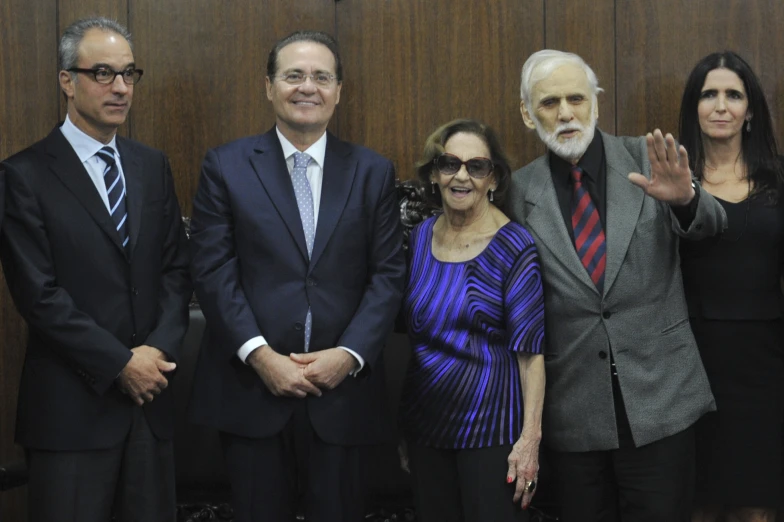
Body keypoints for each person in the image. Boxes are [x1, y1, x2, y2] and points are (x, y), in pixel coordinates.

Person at [188, 30, 406, 521]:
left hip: (344, 395)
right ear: (269, 87)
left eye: (321, 77)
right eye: (294, 75)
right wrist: (261, 357)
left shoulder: (372, 171)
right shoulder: (226, 165)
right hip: (251, 391)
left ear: (338, 91)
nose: (308, 87)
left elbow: (389, 274)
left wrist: (348, 356)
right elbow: (212, 269)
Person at [508, 49, 727, 522]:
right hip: (573, 413)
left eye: (575, 99)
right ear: (528, 114)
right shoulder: (518, 192)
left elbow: (713, 224)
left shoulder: (647, 158)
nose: (565, 113)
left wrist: (687, 200)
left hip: (661, 401)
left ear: (595, 104)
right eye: (549, 103)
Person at [0, 17, 191, 522]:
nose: (121, 88)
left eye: (130, 74)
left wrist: (155, 352)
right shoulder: (23, 175)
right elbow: (38, 295)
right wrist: (119, 364)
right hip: (70, 414)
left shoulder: (152, 166)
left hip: (151, 405)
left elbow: (176, 270)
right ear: (67, 80)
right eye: (103, 73)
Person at [398, 119, 546, 521]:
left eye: (477, 167)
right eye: (449, 164)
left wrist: (529, 441)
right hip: (427, 426)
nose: (461, 176)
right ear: (433, 174)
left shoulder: (515, 246)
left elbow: (531, 357)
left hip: (493, 431)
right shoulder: (420, 237)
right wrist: (406, 429)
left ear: (493, 178)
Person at [677, 51, 784, 522]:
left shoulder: (779, 177)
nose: (720, 106)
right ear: (694, 107)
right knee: (697, 505)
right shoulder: (674, 181)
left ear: (751, 109)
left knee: (758, 507)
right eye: (708, 94)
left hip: (765, 365)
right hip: (688, 362)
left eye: (733, 95)